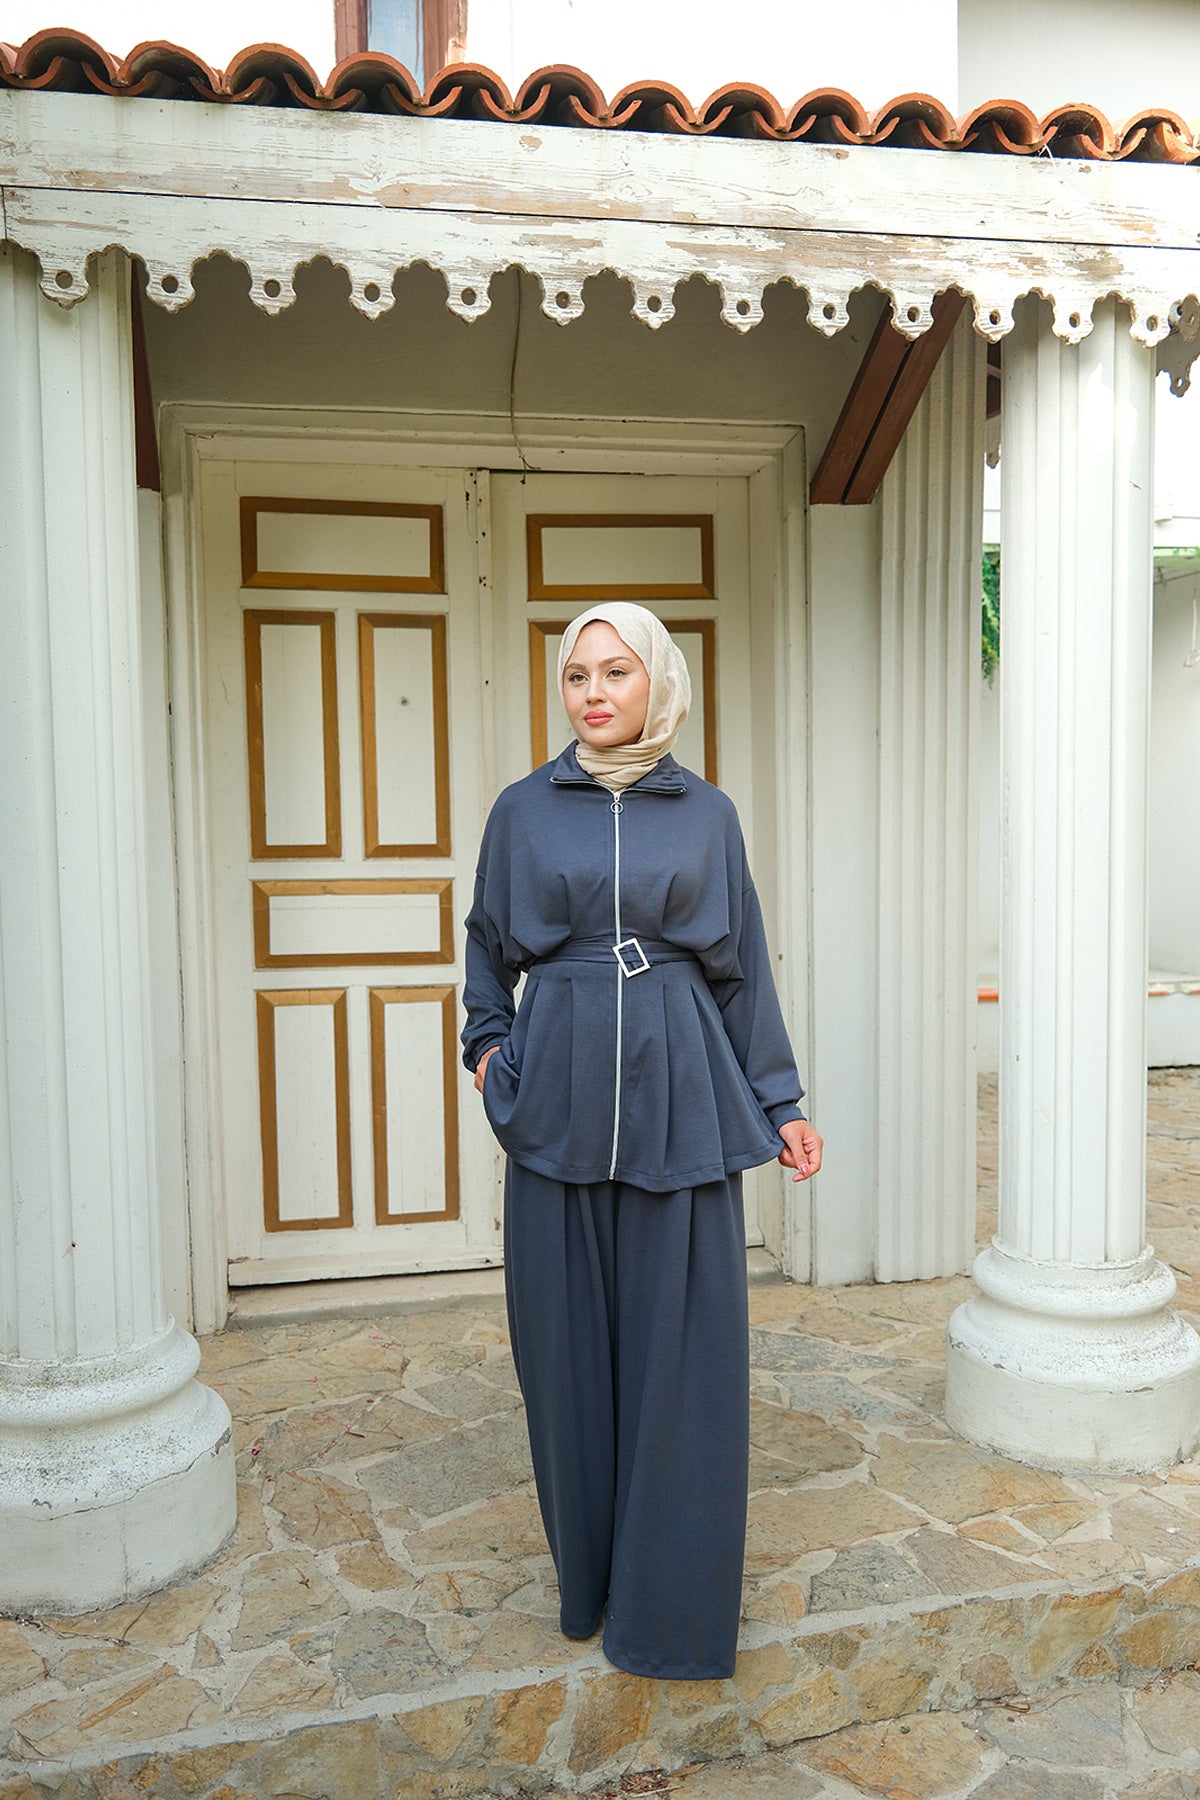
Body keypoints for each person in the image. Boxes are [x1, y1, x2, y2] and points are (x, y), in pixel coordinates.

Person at [462, 602, 822, 1682]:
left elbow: (741, 965)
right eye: (578, 675)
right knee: (565, 1360)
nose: (594, 693)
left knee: (685, 1367)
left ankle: (669, 1615)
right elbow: (487, 945)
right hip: (555, 1099)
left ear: (657, 681)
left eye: (616, 672)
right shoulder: (523, 810)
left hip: (682, 1098)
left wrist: (782, 1101)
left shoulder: (706, 814)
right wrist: (489, 1051)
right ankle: (587, 1584)